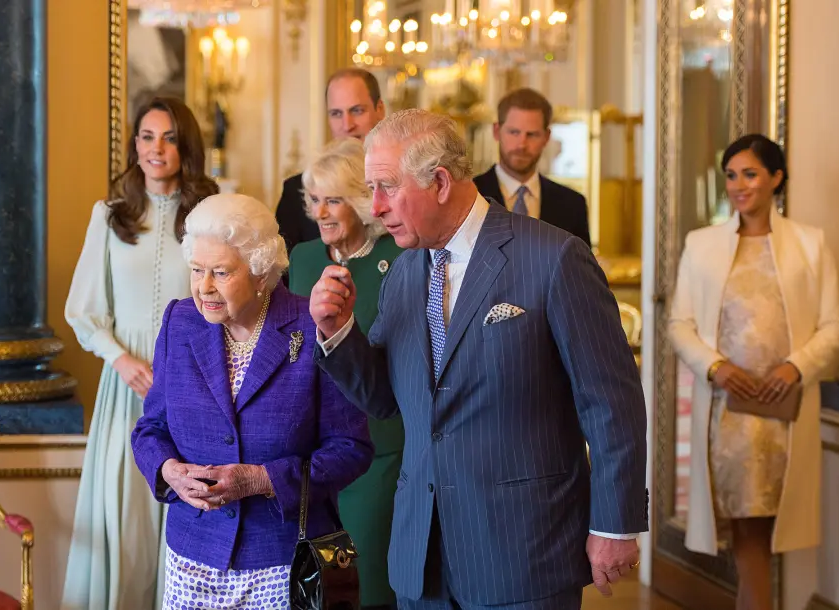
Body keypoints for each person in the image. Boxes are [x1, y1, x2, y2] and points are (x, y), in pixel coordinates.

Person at [309, 109, 648, 610]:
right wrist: (338, 333)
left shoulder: (554, 259)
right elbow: (384, 399)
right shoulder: (404, 272)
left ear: (440, 182)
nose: (374, 207)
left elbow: (611, 404)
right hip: (421, 557)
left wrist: (613, 524)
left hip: (524, 554)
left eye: (386, 187)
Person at [131, 193, 374, 610]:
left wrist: (261, 480)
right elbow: (150, 429)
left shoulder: (310, 324)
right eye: (197, 270)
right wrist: (169, 470)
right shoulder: (179, 320)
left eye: (220, 273)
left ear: (261, 274)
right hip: (193, 558)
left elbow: (352, 449)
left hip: (282, 561)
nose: (203, 287)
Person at [669, 134, 839, 610]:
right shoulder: (701, 245)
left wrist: (795, 367)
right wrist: (717, 367)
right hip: (728, 418)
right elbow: (679, 325)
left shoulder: (810, 245)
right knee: (747, 532)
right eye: (731, 175)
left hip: (785, 414)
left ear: (776, 178)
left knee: (769, 532)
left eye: (749, 173)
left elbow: (834, 327)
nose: (738, 185)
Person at [62, 96, 219, 610]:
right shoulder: (109, 215)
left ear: (185, 146)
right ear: (134, 144)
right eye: (148, 137)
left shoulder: (209, 215)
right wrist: (120, 360)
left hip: (192, 391)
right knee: (126, 522)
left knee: (181, 518)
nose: (157, 148)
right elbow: (84, 308)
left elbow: (222, 302)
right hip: (125, 390)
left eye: (170, 138)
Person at [288, 138, 405, 610]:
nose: (321, 212)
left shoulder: (399, 258)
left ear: (361, 199)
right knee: (317, 587)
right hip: (312, 455)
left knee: (371, 586)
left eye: (333, 199)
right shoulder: (302, 258)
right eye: (314, 199)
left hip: (379, 447)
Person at [275, 68, 386, 256]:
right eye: (336, 113)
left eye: (357, 110)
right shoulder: (296, 192)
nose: (347, 125)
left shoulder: (401, 185)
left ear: (380, 110)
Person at [472, 87, 591, 246]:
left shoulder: (572, 204)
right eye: (514, 132)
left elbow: (579, 269)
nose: (522, 144)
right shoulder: (471, 195)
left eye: (532, 134)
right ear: (496, 131)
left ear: (546, 137)